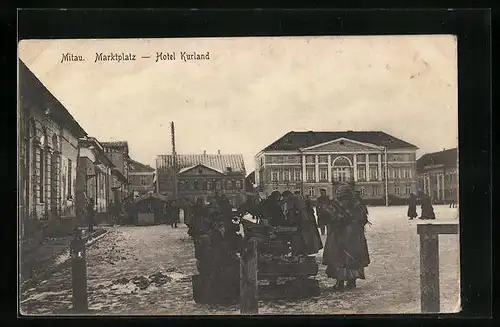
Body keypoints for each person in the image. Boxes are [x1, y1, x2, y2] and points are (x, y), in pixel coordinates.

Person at [322, 183, 370, 291]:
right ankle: (352, 281)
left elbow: (330, 218)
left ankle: (340, 282)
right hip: (354, 234)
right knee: (353, 257)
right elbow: (363, 218)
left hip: (339, 235)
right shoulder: (357, 203)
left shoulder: (335, 204)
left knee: (339, 257)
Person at [281, 190, 323, 256]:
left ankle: (298, 252)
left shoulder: (291, 199)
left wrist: (290, 221)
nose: (284, 199)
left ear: (287, 195)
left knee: (299, 237)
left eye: (284, 198)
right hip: (308, 220)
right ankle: (305, 251)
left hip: (301, 221)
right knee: (307, 237)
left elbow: (291, 212)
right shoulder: (300, 197)